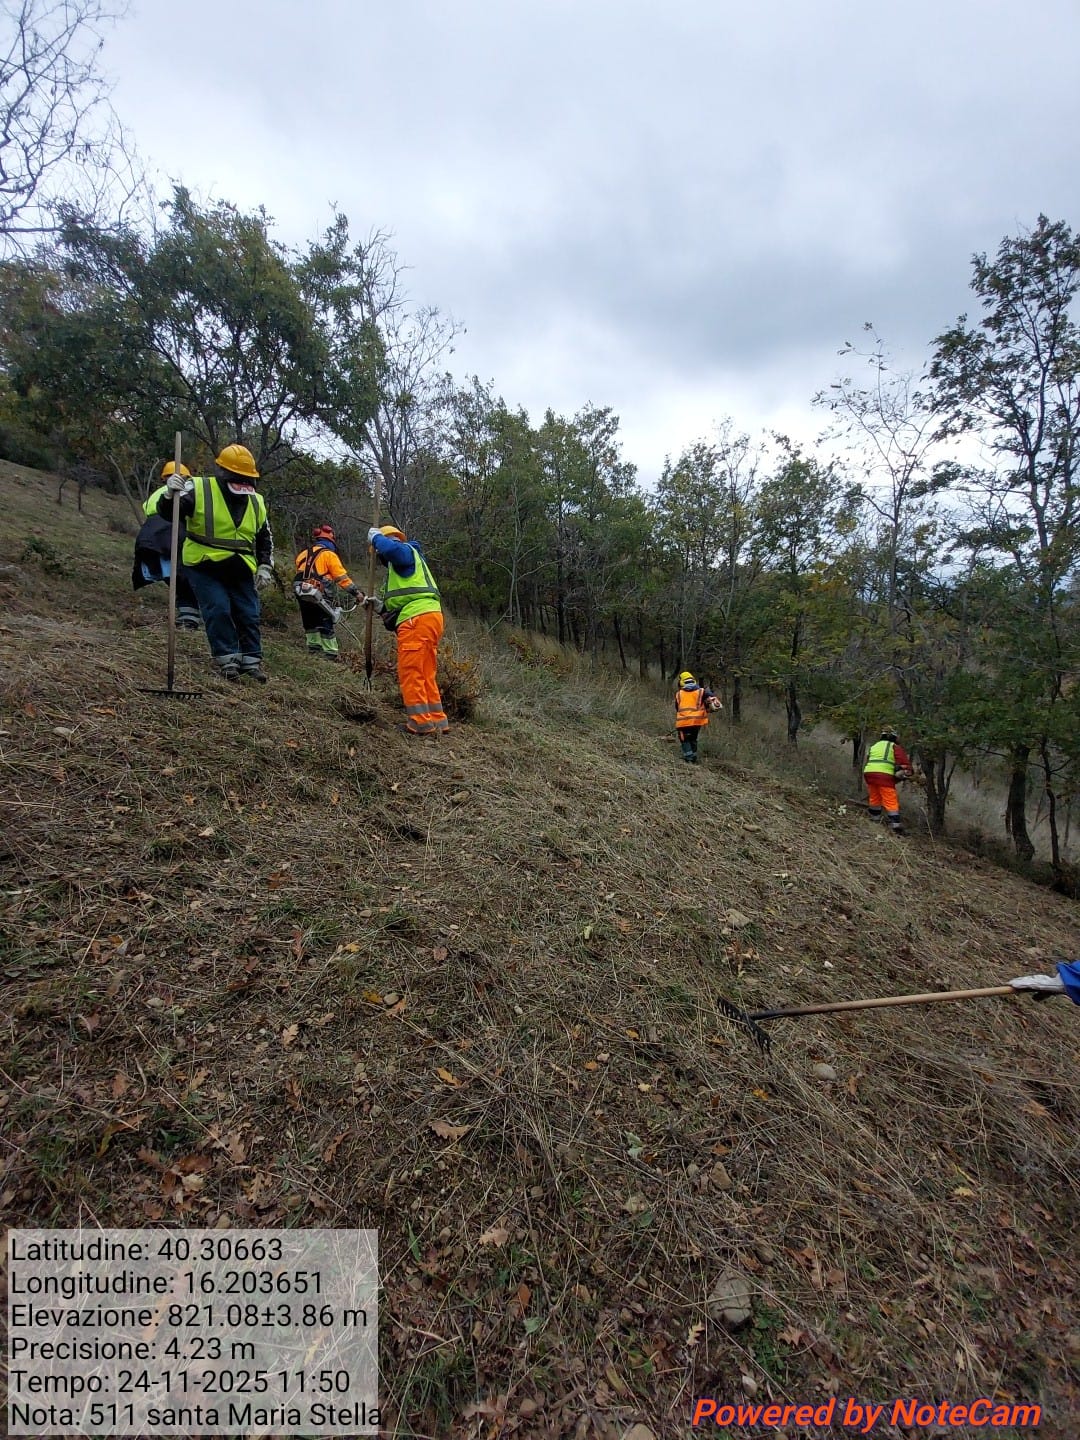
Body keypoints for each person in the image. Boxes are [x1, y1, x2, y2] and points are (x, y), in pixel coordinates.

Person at [157, 444, 275, 683]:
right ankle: (228, 660)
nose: (243, 483)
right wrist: (169, 495)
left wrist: (265, 566)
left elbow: (264, 537)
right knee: (218, 609)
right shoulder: (198, 488)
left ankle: (251, 662)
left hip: (240, 565)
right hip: (203, 563)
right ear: (223, 473)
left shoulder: (257, 501)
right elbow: (170, 514)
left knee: (249, 613)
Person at [363, 523, 448, 735]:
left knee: (411, 671)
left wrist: (376, 539)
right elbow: (398, 609)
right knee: (425, 671)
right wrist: (380, 607)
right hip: (428, 617)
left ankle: (420, 722)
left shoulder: (405, 551)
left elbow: (393, 550)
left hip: (417, 620)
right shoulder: (403, 567)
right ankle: (436, 720)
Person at [131, 461, 202, 630]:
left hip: (148, 542)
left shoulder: (155, 495)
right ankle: (189, 618)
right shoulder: (190, 491)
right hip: (172, 536)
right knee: (185, 579)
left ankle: (187, 616)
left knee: (174, 579)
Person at [293, 524, 363, 661]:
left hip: (300, 588)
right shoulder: (329, 555)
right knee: (325, 619)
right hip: (320, 590)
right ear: (330, 542)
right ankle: (330, 653)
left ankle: (313, 647)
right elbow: (342, 578)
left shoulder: (303, 553)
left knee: (308, 618)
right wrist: (356, 593)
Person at [863, 726, 914, 834]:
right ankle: (896, 827)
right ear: (894, 737)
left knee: (875, 796)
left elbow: (869, 759)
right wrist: (906, 771)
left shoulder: (874, 746)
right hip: (884, 775)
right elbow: (904, 763)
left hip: (869, 773)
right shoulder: (894, 746)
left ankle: (874, 819)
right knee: (890, 799)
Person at [675, 670, 721, 763]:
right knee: (693, 739)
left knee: (685, 740)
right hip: (697, 722)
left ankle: (689, 759)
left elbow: (677, 708)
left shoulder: (679, 694)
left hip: (683, 722)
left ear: (681, 682)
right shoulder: (702, 691)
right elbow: (714, 702)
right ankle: (694, 757)